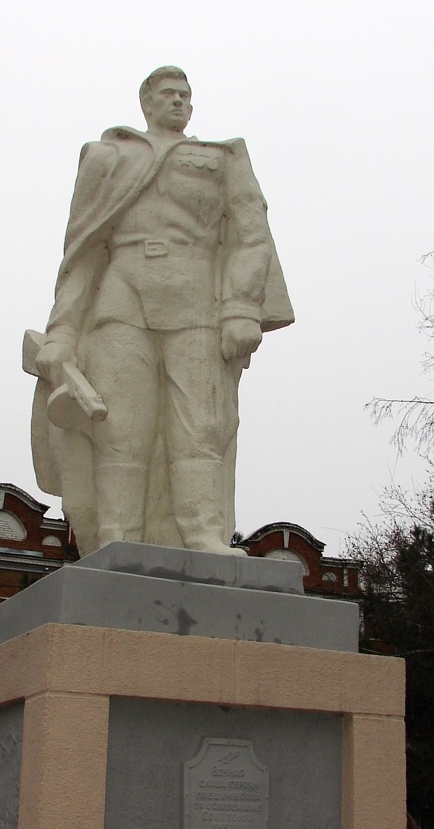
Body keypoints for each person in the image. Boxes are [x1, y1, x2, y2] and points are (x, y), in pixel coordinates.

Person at [29, 67, 293, 555]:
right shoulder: (110, 156)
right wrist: (63, 331)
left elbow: (250, 236)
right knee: (120, 427)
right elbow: (82, 252)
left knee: (200, 425)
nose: (179, 101)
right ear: (145, 102)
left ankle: (203, 535)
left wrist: (239, 308)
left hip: (196, 303)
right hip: (121, 297)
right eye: (168, 94)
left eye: (185, 95)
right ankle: (117, 538)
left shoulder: (223, 158)